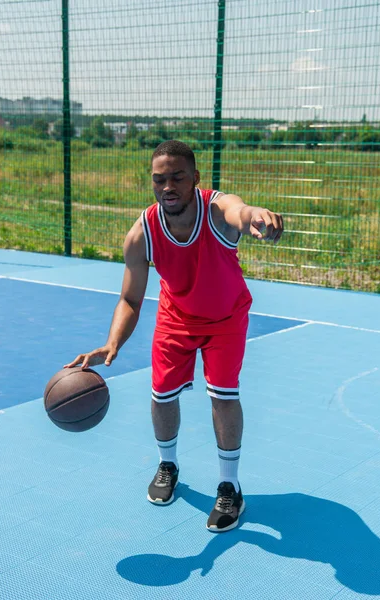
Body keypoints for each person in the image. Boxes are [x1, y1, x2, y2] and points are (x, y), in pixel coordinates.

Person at [65, 140, 283, 532]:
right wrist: (113, 342)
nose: (168, 186)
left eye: (177, 177)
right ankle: (168, 465)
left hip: (225, 318)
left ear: (195, 179)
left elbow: (240, 210)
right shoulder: (142, 231)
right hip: (176, 318)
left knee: (223, 395)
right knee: (161, 395)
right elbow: (130, 298)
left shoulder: (216, 211)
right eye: (159, 179)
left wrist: (256, 217)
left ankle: (230, 486)